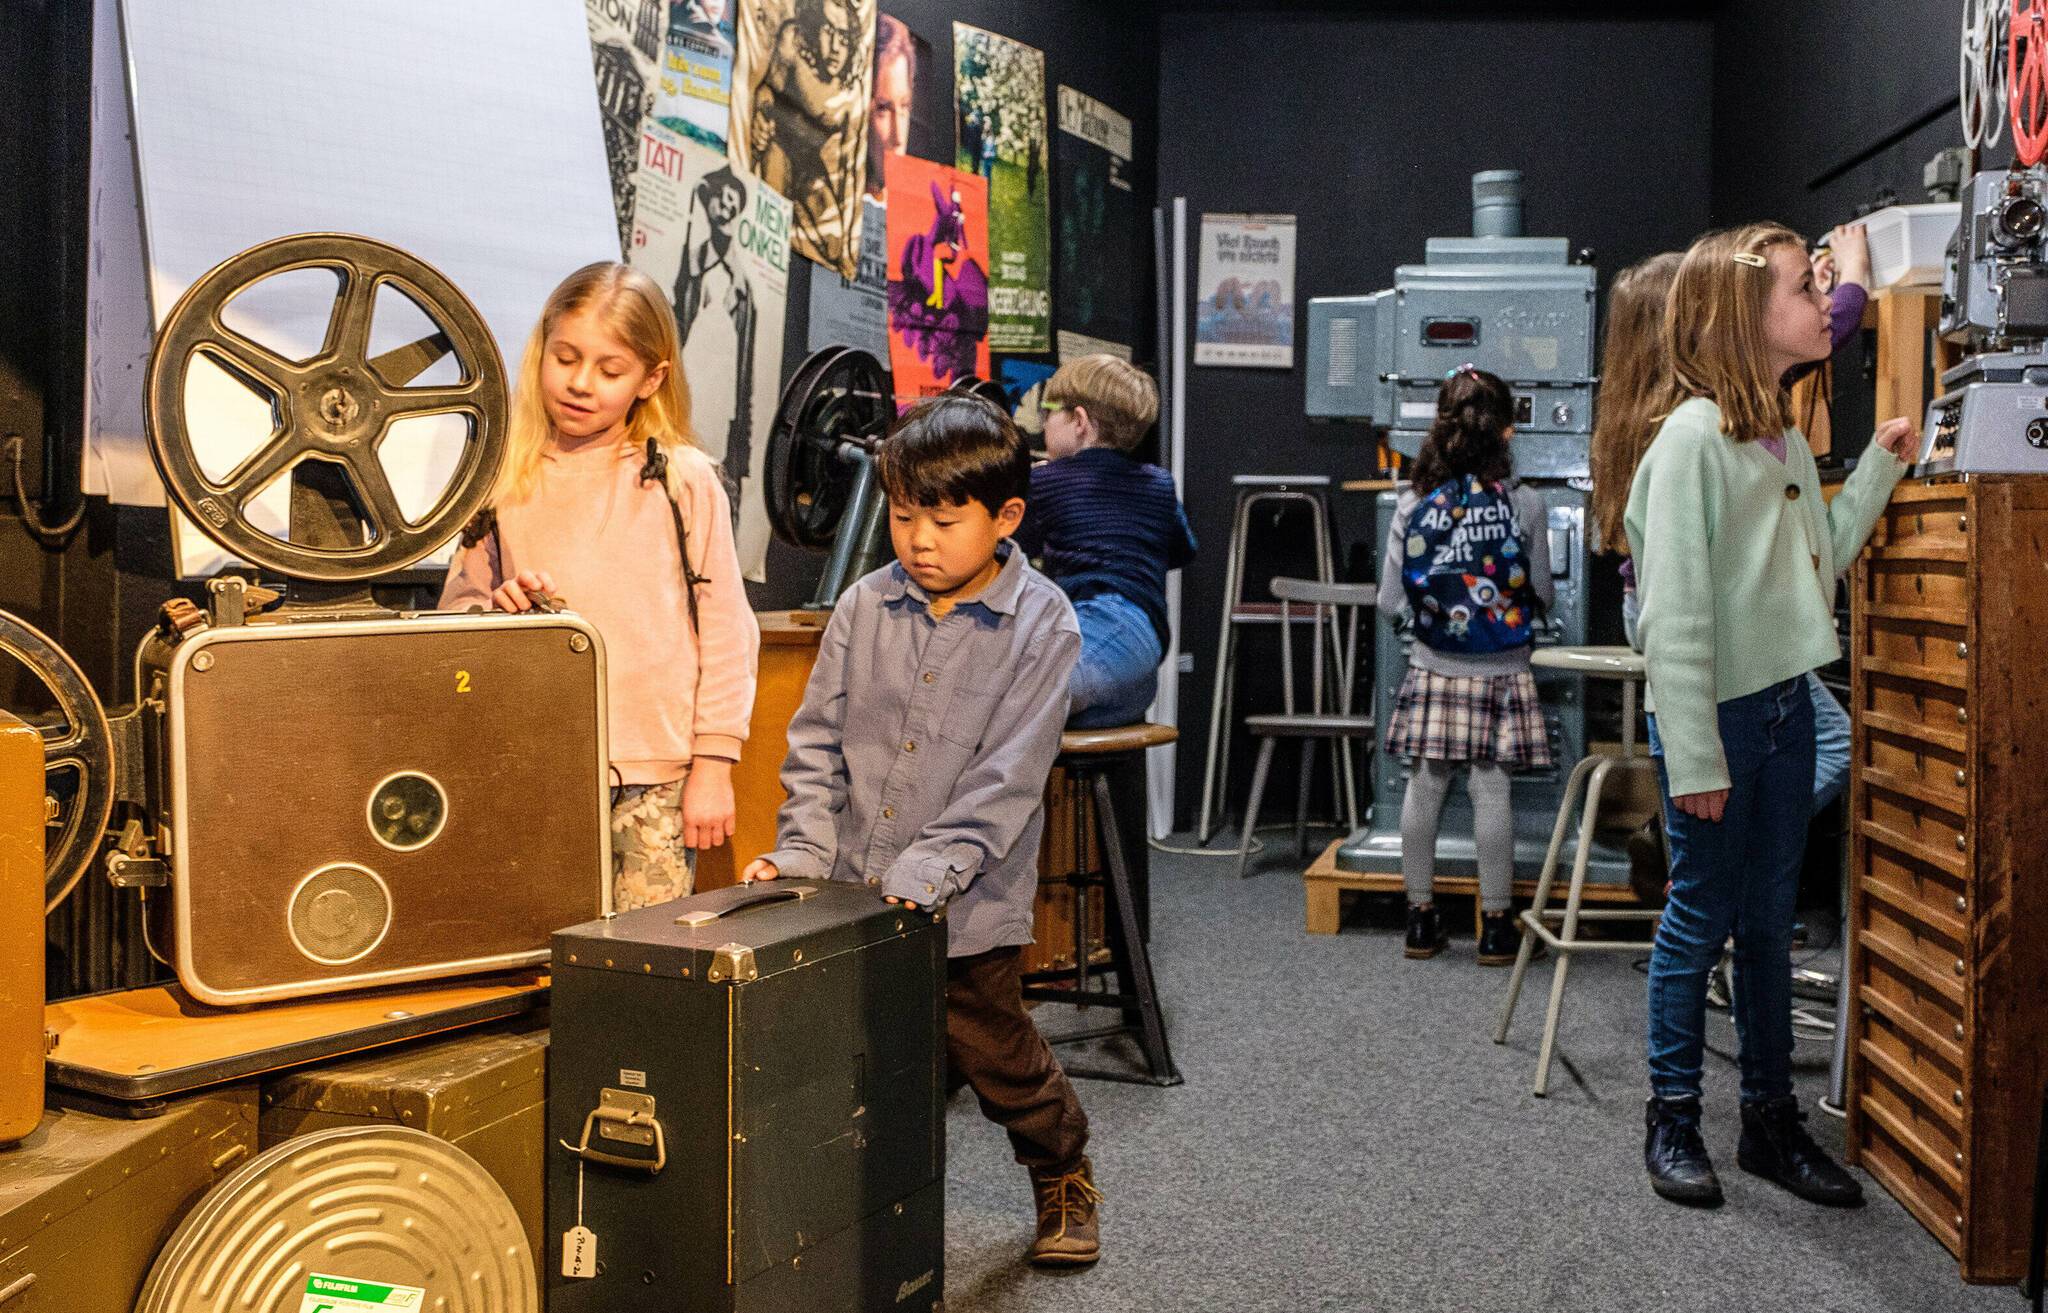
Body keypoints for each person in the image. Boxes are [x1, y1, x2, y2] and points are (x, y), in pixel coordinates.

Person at [744, 395, 1101, 1269]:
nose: (920, 539)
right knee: (846, 1053)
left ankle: (1062, 1166)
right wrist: (801, 852)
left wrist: (935, 861)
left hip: (968, 902)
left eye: (945, 519)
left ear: (1006, 516)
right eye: (905, 516)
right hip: (850, 886)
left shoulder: (1045, 622)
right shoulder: (865, 607)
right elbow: (817, 741)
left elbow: (1008, 774)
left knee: (994, 1049)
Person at [1626, 223, 1915, 1210]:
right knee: (1696, 916)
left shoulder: (1782, 439)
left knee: (1763, 921)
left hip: (1786, 710)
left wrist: (1873, 468)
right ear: (1743, 318)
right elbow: (1670, 617)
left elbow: (1813, 564)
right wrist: (1697, 755)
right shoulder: (1686, 442)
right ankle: (1670, 1114)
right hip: (1715, 721)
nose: (1819, 298)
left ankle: (1766, 1122)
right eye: (1804, 285)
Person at [441, 262, 759, 912]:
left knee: (644, 967)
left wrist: (714, 766)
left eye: (610, 370)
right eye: (566, 358)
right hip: (538, 770)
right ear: (542, 349)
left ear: (651, 378)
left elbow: (727, 625)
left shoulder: (682, 479)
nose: (581, 383)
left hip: (655, 781)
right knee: (542, 956)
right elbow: (459, 615)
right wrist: (501, 618)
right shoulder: (504, 477)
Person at [1593, 226, 1873, 900]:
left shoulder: (1641, 412)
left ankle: (1704, 842)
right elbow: (1830, 324)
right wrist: (1852, 275)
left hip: (1664, 610)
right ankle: (1701, 840)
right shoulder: (1695, 432)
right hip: (1703, 623)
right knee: (1821, 747)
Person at [1377, 368, 1554, 965]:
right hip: (1503, 666)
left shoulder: (1413, 503)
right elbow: (1544, 594)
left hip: (1435, 663)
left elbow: (1388, 602)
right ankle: (1498, 927)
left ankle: (1421, 921)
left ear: (1439, 428)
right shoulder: (1526, 503)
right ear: (1508, 430)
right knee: (1491, 791)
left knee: (1424, 787)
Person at [1013, 355, 1194, 728]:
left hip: (1098, 629)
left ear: (1078, 421)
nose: (1044, 423)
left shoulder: (1048, 482)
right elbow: (1181, 549)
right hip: (1141, 654)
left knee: (1006, 702)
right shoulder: (1159, 484)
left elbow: (1006, 544)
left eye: (1049, 412)